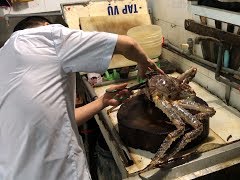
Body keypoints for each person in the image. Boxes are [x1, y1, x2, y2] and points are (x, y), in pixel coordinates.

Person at [0, 16, 164, 180]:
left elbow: (61, 120)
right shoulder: (47, 36)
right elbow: (128, 44)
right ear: (46, 25)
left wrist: (103, 101)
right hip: (55, 171)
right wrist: (144, 62)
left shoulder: (5, 55)